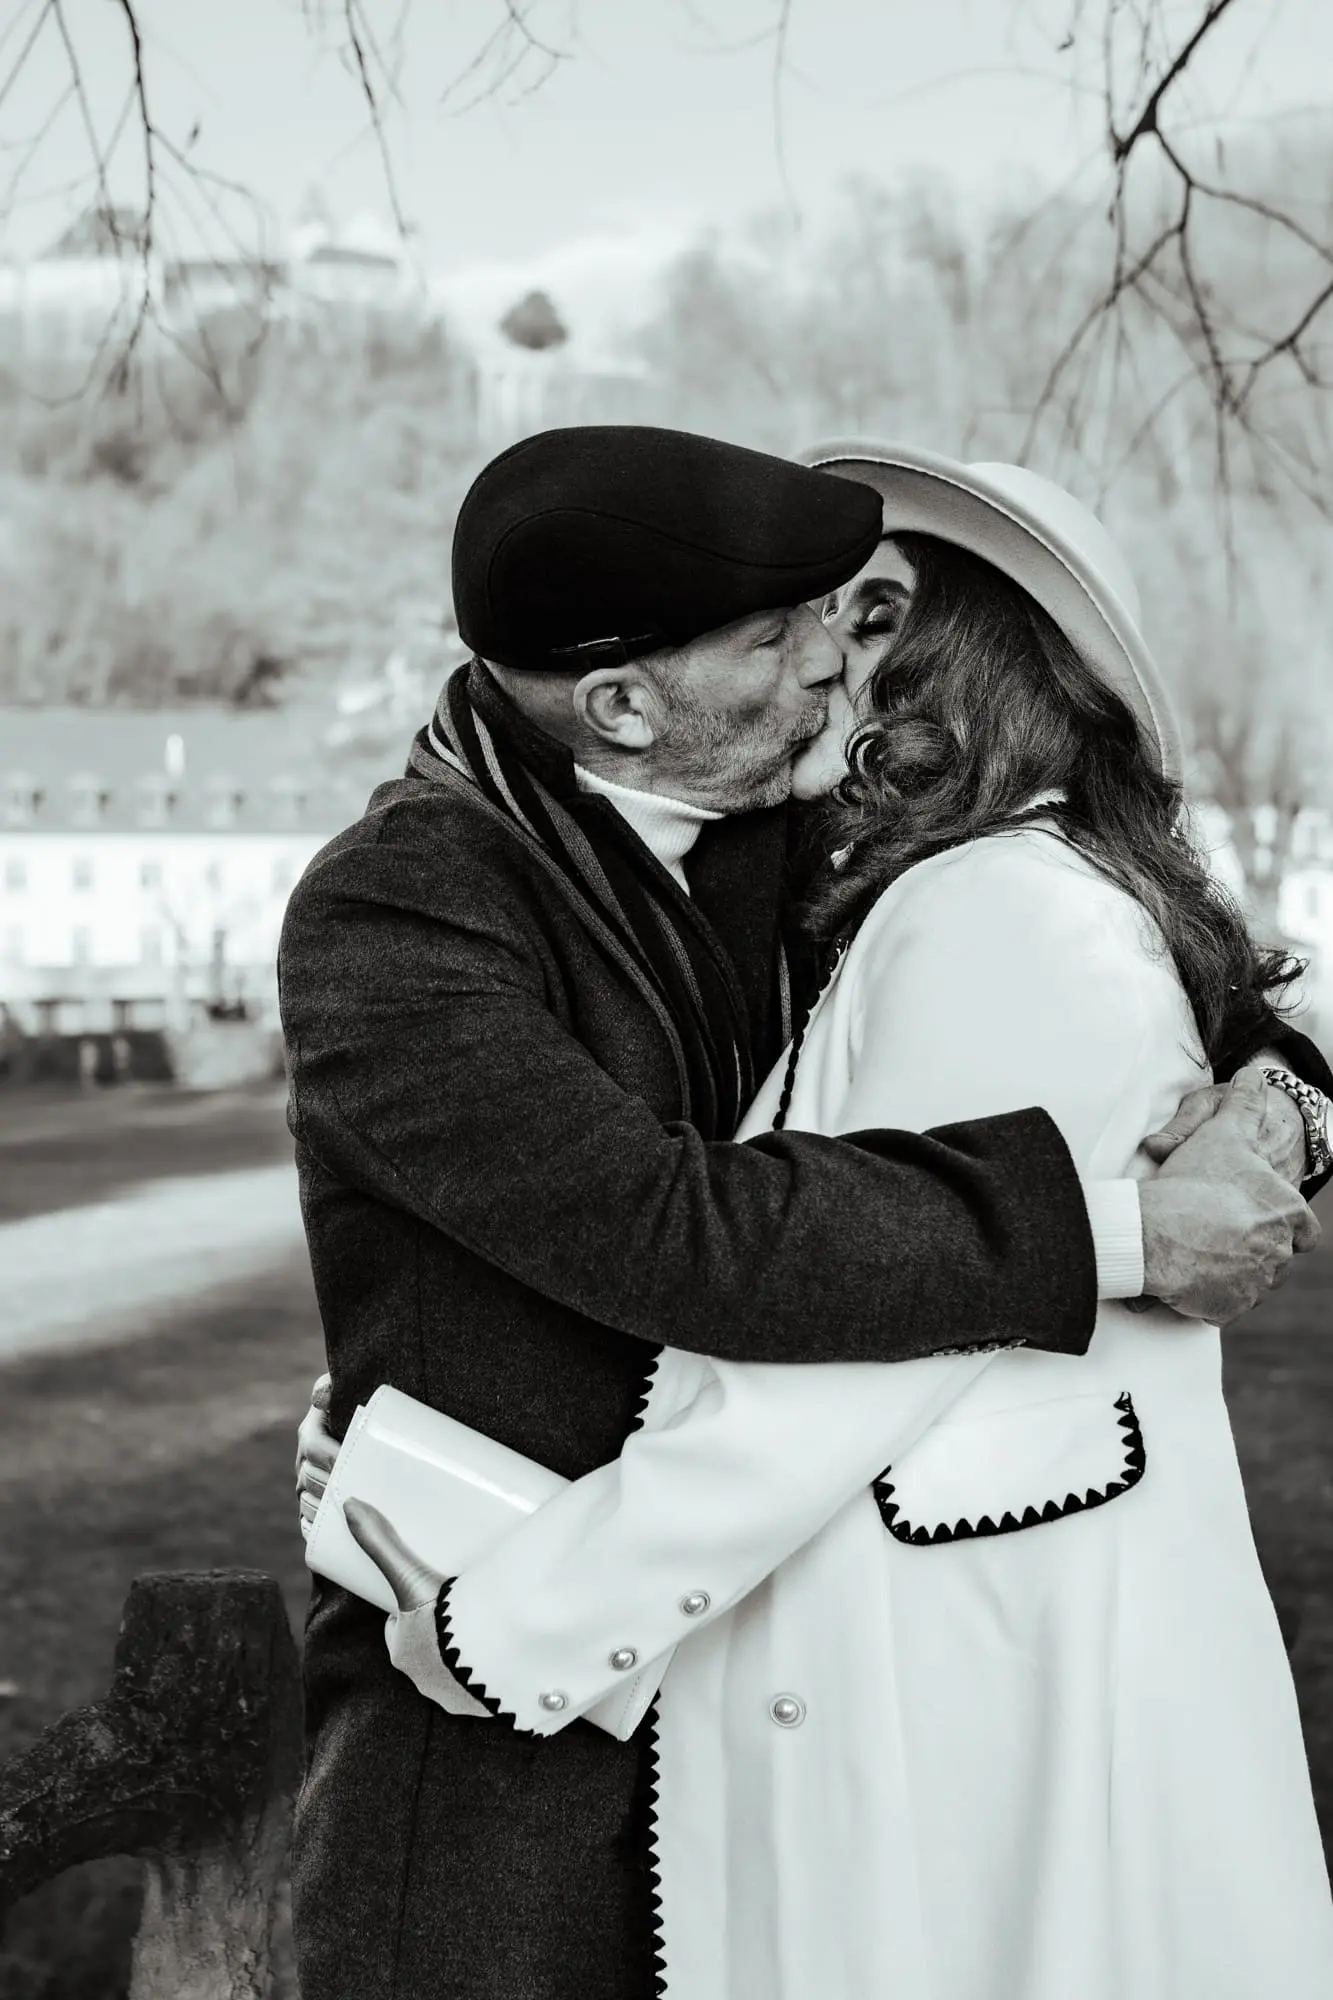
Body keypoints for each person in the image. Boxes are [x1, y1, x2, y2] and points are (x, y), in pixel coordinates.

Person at [279, 427, 1330, 2000]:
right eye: (780, 637)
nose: (832, 660)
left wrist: (1285, 1108)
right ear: (625, 708)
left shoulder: (794, 826)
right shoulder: (400, 909)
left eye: (845, 616)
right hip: (496, 1721)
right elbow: (673, 1230)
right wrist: (1125, 1231)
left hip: (764, 1672)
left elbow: (1142, 959)